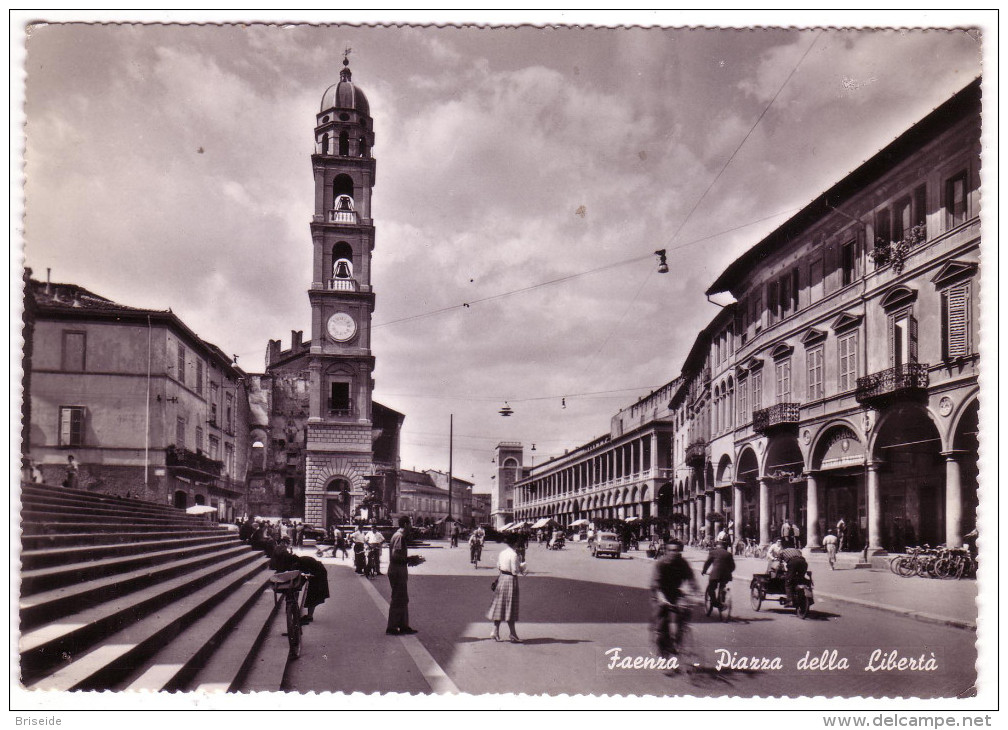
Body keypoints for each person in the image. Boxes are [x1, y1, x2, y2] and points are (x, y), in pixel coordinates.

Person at [651, 539, 698, 660]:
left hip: (675, 593)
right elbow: (656, 584)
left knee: (684, 612)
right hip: (660, 593)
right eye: (671, 550)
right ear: (666, 551)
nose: (674, 553)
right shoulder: (661, 564)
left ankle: (678, 639)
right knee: (661, 622)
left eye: (677, 550)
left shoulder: (683, 563)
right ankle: (660, 647)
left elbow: (691, 579)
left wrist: (697, 594)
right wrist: (661, 598)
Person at [269, 537, 330, 624]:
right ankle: (309, 616)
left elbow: (299, 577)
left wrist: (297, 585)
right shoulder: (299, 561)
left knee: (313, 596)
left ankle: (309, 617)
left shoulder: (297, 564)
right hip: (316, 573)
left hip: (318, 575)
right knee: (312, 596)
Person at [386, 516, 424, 635]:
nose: (411, 526)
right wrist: (411, 560)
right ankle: (392, 627)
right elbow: (396, 555)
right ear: (406, 524)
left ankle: (403, 625)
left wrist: (410, 560)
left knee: (403, 598)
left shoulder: (400, 536)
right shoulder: (399, 536)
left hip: (399, 570)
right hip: (397, 570)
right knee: (398, 598)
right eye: (410, 524)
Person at [488, 533, 527, 642]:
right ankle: (512, 634)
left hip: (502, 578)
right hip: (510, 580)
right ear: (515, 543)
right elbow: (515, 570)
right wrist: (522, 568)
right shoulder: (514, 555)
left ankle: (495, 631)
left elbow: (499, 566)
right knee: (510, 607)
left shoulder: (502, 553)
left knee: (500, 605)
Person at [701, 539, 735, 610]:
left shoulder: (713, 552)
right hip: (726, 575)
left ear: (717, 546)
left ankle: (715, 602)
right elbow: (733, 566)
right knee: (722, 586)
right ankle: (722, 598)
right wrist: (728, 572)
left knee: (711, 588)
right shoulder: (728, 554)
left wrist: (704, 570)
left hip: (715, 574)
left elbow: (708, 563)